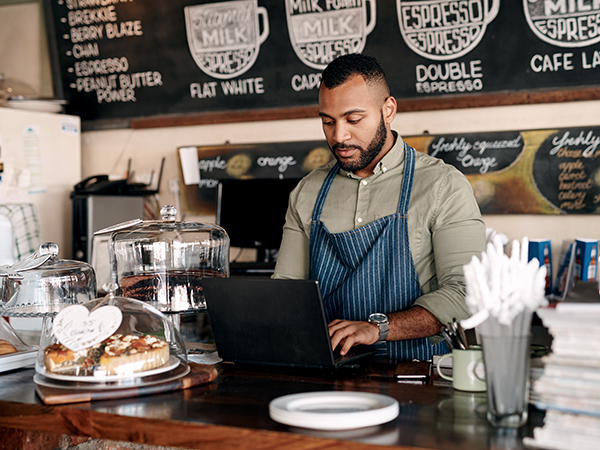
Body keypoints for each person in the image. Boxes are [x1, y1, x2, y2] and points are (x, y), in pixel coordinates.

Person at [273, 54, 486, 360]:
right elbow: (286, 294)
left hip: (420, 372)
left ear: (388, 110)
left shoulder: (443, 185)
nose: (339, 136)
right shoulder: (308, 191)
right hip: (332, 371)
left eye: (354, 120)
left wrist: (376, 328)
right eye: (328, 121)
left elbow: (467, 293)